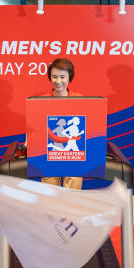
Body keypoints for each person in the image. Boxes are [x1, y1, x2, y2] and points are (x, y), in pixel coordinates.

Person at [41, 57, 83, 191]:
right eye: (54, 77)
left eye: (62, 77)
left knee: (72, 200)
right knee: (51, 200)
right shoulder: (40, 101)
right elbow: (34, 128)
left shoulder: (81, 99)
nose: (58, 81)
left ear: (69, 78)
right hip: (48, 156)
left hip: (74, 159)